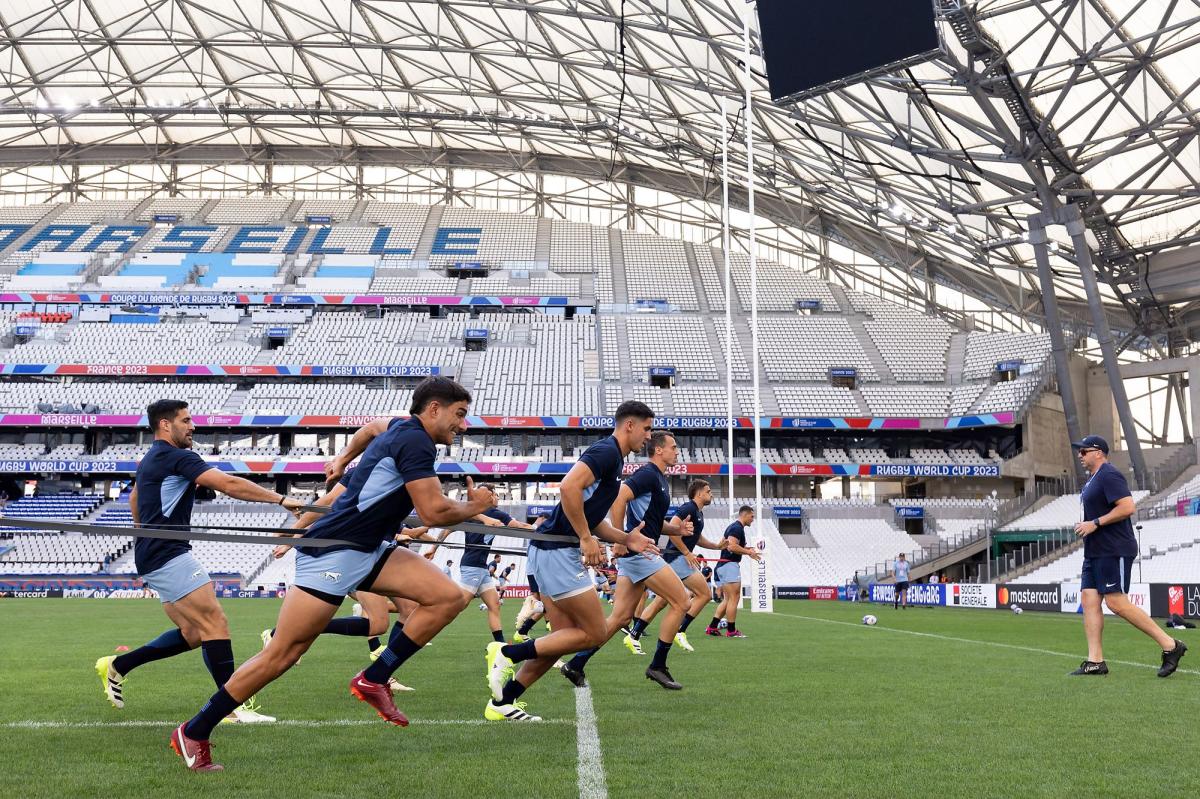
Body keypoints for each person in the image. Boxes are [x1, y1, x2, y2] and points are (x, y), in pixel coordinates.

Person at [171, 377, 495, 771]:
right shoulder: (416, 441)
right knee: (283, 654)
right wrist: (475, 504)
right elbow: (433, 512)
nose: (463, 425)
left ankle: (374, 678)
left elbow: (372, 427)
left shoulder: (400, 428)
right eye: (459, 415)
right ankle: (195, 729)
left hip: (369, 547)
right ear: (433, 409)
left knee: (447, 597)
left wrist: (342, 459)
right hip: (334, 552)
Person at [95, 399, 304, 722]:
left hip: (155, 552)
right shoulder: (177, 457)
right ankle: (231, 707)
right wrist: (282, 499)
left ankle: (118, 665)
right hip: (167, 553)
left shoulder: (153, 458)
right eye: (186, 420)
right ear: (166, 425)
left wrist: (145, 534)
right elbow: (229, 484)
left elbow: (136, 497)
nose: (193, 426)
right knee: (215, 622)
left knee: (194, 633)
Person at [481, 402, 660, 721]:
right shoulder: (607, 452)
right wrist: (586, 539)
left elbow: (592, 519)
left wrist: (625, 538)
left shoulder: (614, 460)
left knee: (555, 644)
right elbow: (568, 487)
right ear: (629, 425)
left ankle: (501, 703)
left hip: (551, 552)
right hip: (557, 553)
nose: (649, 436)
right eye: (646, 428)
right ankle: (506, 652)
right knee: (593, 633)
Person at [558, 431, 694, 689]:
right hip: (640, 554)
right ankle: (657, 665)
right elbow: (620, 496)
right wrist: (620, 539)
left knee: (620, 618)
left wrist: (676, 530)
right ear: (658, 451)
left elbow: (651, 522)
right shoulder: (648, 474)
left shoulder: (659, 479)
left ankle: (576, 664)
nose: (677, 452)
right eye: (673, 447)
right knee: (682, 600)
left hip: (637, 554)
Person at [1068, 435, 1186, 677]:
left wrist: (1095, 523)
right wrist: (1088, 525)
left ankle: (1170, 645)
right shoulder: (1092, 479)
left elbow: (1127, 506)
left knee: (1115, 602)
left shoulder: (1108, 474)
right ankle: (1095, 661)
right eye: (1079, 452)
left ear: (1098, 452)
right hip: (1095, 550)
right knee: (1089, 599)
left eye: (1084, 451)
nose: (1080, 455)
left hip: (1114, 548)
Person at [425, 485, 536, 643]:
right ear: (489, 497)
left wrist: (434, 548)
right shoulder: (493, 512)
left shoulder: (470, 513)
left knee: (494, 604)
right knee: (457, 606)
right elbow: (517, 525)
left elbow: (447, 530)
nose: (497, 498)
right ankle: (425, 627)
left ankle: (499, 645)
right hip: (473, 567)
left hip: (480, 567)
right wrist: (539, 529)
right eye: (496, 495)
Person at [627, 479, 723, 653]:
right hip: (678, 557)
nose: (711, 494)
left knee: (660, 602)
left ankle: (633, 634)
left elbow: (698, 538)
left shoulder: (698, 513)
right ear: (699, 493)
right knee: (704, 594)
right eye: (709, 491)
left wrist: (716, 546)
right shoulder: (688, 508)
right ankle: (680, 631)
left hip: (676, 558)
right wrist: (687, 552)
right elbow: (673, 531)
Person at [705, 505, 761, 638]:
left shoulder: (734, 527)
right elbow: (731, 546)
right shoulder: (737, 528)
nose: (753, 519)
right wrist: (748, 552)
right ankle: (731, 631)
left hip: (724, 565)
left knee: (728, 599)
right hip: (729, 564)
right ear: (744, 515)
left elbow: (733, 545)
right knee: (734, 598)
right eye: (752, 516)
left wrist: (748, 549)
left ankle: (712, 627)